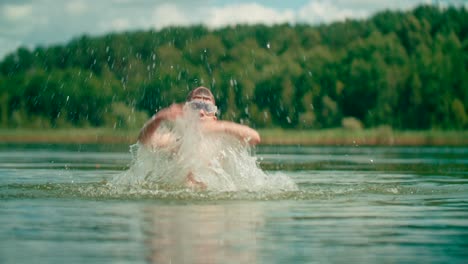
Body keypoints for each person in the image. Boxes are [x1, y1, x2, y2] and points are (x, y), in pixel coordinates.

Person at [137, 86, 261, 188]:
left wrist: (218, 127)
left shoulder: (221, 142)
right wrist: (158, 118)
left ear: (214, 117)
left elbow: (254, 137)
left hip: (211, 209)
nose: (201, 112)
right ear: (185, 112)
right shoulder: (177, 140)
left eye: (207, 108)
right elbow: (145, 141)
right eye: (195, 106)